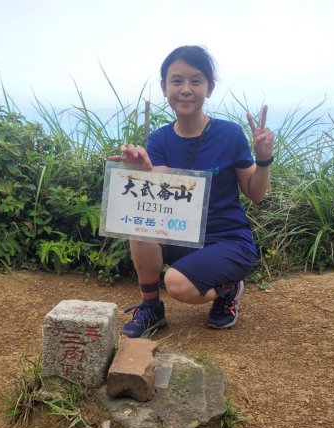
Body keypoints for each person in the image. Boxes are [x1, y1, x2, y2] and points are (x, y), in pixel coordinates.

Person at [108, 45, 274, 338]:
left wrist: (263, 159)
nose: (186, 89)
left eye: (196, 81)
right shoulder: (159, 139)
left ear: (209, 88)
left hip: (228, 241)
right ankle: (151, 309)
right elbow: (157, 188)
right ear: (164, 87)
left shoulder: (230, 134)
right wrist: (141, 172)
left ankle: (228, 288)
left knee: (177, 285)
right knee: (139, 223)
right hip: (181, 234)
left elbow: (255, 192)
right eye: (177, 80)